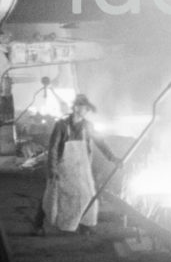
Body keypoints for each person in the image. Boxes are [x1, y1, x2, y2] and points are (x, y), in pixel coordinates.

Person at [33, 93, 118, 236]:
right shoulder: (61, 126)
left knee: (87, 194)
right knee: (52, 194)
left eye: (87, 109)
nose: (86, 112)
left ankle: (84, 225)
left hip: (81, 168)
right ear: (77, 108)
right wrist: (52, 170)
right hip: (63, 166)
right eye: (84, 108)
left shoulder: (87, 126)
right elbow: (53, 149)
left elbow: (100, 142)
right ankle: (38, 223)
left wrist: (113, 158)